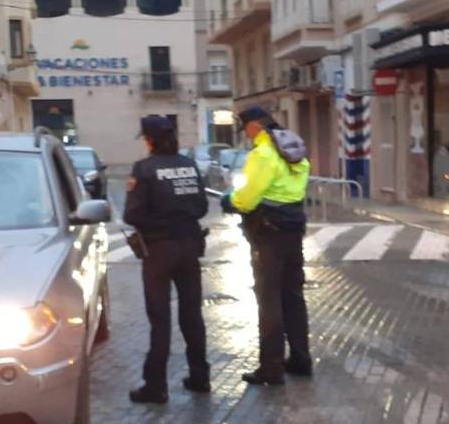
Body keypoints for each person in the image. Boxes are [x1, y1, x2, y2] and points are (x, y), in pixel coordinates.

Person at [221, 106, 312, 386]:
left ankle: (271, 368)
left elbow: (248, 198)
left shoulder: (262, 154)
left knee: (269, 298)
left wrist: (230, 201)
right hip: (293, 228)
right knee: (293, 295)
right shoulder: (293, 149)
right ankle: (300, 359)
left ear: (254, 126)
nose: (246, 135)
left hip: (268, 234)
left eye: (246, 129)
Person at [124, 115, 210, 404]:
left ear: (149, 140)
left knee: (160, 319)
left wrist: (156, 221)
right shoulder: (189, 165)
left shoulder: (144, 169)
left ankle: (156, 386)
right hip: (190, 246)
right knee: (192, 316)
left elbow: (131, 215)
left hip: (159, 251)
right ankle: (200, 377)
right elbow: (200, 207)